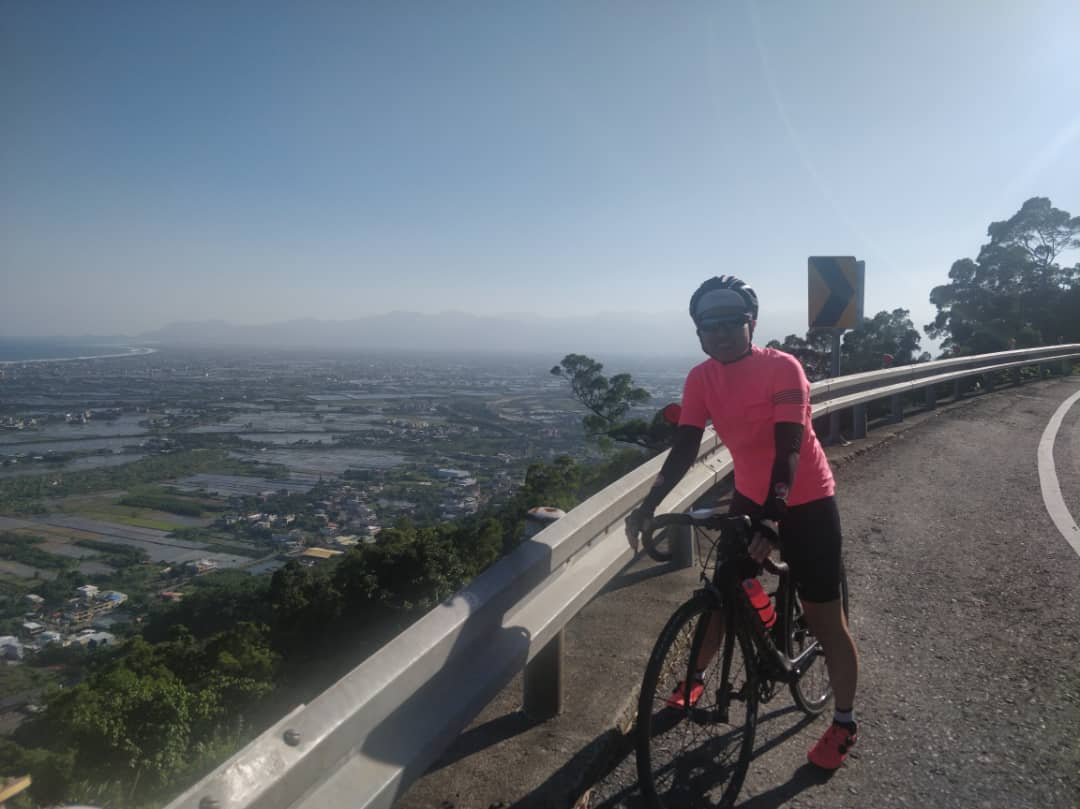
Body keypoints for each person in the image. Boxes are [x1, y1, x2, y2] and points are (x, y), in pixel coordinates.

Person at [628, 275, 860, 770]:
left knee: (825, 619)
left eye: (731, 322)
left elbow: (789, 447)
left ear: (751, 323)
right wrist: (649, 504)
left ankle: (843, 722)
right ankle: (696, 677)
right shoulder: (701, 379)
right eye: (709, 325)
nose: (721, 333)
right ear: (698, 331)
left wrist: (774, 517)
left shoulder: (783, 368)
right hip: (751, 496)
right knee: (722, 592)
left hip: (806, 498)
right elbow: (684, 448)